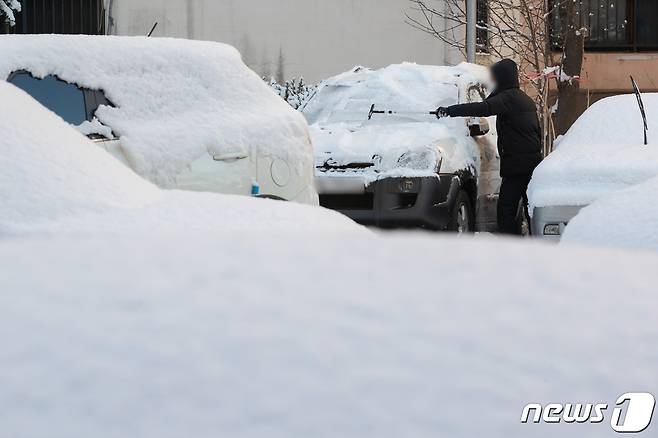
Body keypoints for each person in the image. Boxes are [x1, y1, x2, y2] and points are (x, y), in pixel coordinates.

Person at [437, 59, 542, 235]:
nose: (493, 81)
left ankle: (511, 249)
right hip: (531, 164)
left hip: (517, 167)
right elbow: (537, 133)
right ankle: (535, 245)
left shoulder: (508, 99)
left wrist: (450, 111)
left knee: (506, 211)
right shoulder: (524, 100)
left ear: (503, 77)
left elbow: (483, 107)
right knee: (529, 209)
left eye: (495, 77)